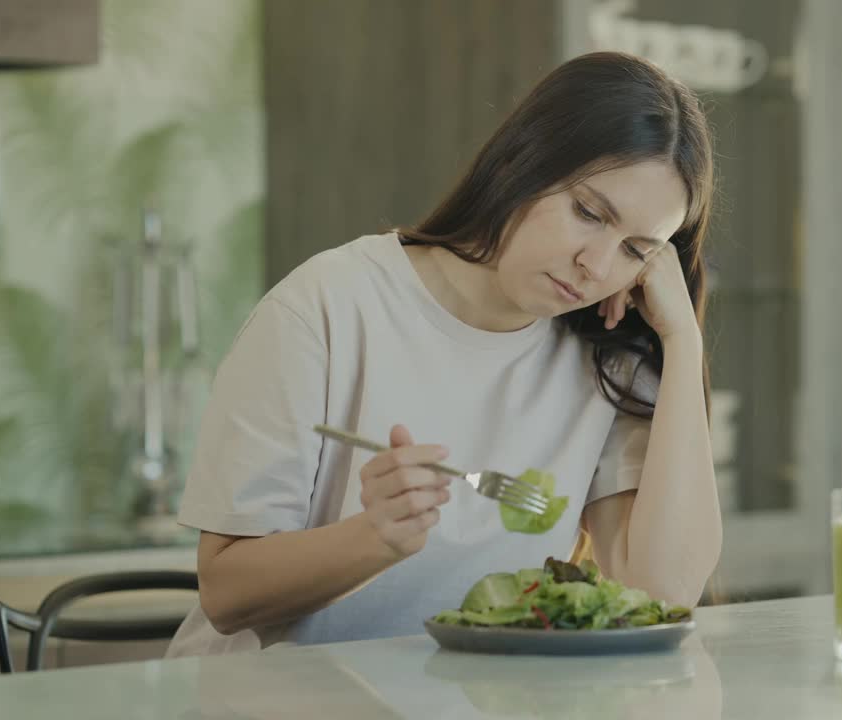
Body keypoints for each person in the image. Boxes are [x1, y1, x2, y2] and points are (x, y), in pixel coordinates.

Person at [165, 51, 722, 656]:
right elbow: (225, 593)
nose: (597, 266)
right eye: (588, 213)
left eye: (637, 250)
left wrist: (682, 341)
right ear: (525, 162)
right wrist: (374, 538)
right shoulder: (326, 306)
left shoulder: (606, 357)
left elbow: (662, 592)